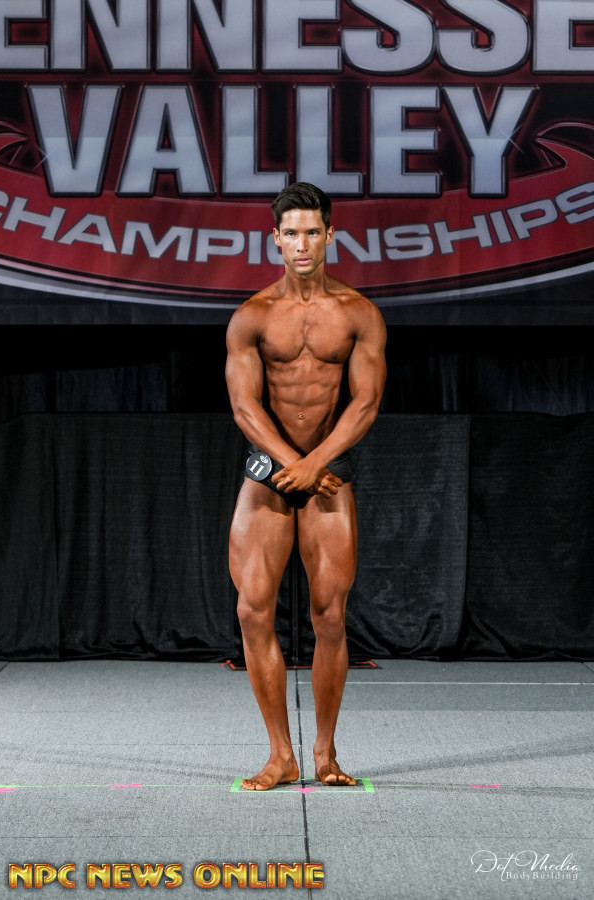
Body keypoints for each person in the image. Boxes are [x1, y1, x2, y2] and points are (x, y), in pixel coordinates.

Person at [226, 182, 386, 791]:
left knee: (330, 614)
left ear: (329, 236)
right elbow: (244, 406)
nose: (302, 244)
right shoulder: (253, 315)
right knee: (251, 610)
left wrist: (314, 462)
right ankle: (279, 755)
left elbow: (365, 403)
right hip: (268, 474)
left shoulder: (357, 313)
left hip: (328, 474)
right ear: (275, 239)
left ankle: (325, 754)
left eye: (312, 232)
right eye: (291, 233)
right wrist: (291, 462)